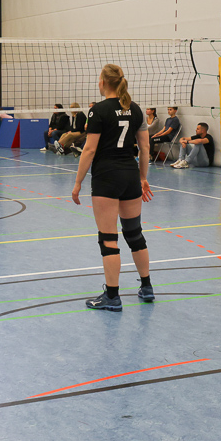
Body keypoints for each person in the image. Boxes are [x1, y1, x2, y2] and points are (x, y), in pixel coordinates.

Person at [70, 64, 155, 311]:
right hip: (130, 176)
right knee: (134, 234)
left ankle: (112, 297)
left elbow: (89, 149)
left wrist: (77, 182)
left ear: (104, 82)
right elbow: (145, 148)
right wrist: (142, 177)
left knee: (108, 238)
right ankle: (147, 287)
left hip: (107, 178)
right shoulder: (135, 109)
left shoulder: (98, 110)